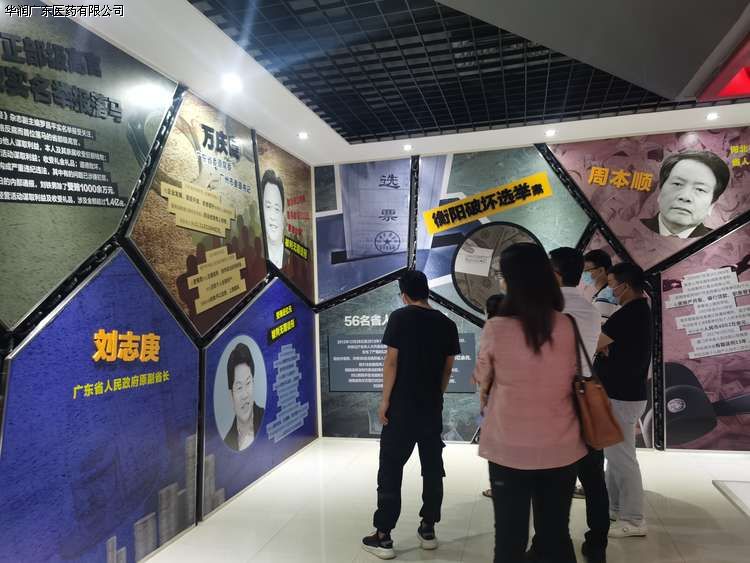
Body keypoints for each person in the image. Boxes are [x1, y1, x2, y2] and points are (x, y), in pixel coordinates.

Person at [474, 243, 586, 563]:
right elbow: (573, 374)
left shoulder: (496, 328)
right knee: (555, 535)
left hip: (507, 447)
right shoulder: (566, 325)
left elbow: (481, 377)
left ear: (510, 280)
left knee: (509, 539)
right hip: (561, 445)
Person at [362, 270, 460, 560]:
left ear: (404, 295)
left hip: (401, 409)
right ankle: (428, 528)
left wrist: (385, 401)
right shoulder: (447, 323)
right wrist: (436, 395)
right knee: (432, 468)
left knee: (391, 470)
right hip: (431, 408)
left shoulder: (400, 318)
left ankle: (383, 536)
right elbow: (447, 369)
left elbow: (391, 363)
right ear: (427, 291)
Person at [546, 248, 609, 563]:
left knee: (555, 480)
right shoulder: (591, 309)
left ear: (555, 274)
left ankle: (553, 543)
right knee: (594, 478)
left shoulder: (547, 310)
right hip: (587, 397)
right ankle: (597, 544)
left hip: (556, 402)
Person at [595, 263, 653, 538]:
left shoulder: (630, 314)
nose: (610, 291)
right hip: (624, 393)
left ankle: (634, 519)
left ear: (625, 286)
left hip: (622, 395)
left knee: (622, 458)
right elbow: (605, 346)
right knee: (615, 457)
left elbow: (596, 342)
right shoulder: (638, 311)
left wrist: (603, 348)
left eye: (611, 285)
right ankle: (616, 507)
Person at [640, 150, 730, 238]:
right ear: (660, 191)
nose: (685, 197)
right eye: (677, 184)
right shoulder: (634, 227)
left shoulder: (720, 241)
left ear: (712, 204)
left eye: (700, 189)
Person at [479, 293, 505, 499]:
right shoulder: (519, 329)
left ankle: (498, 487)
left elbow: (485, 368)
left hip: (496, 397)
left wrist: (483, 397)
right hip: (513, 397)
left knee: (497, 445)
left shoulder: (492, 330)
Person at [223, 343, 264, 451]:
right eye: (239, 387)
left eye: (248, 383)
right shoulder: (227, 442)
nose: (245, 395)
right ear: (231, 395)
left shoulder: (266, 418)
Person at [582, 249, 618, 323]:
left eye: (586, 270)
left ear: (601, 270)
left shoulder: (607, 295)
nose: (583, 274)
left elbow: (600, 326)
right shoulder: (605, 292)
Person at [261, 169, 286, 269]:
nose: (272, 217)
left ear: (282, 216)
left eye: (276, 209)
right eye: (268, 207)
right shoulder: (256, 259)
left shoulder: (295, 261)